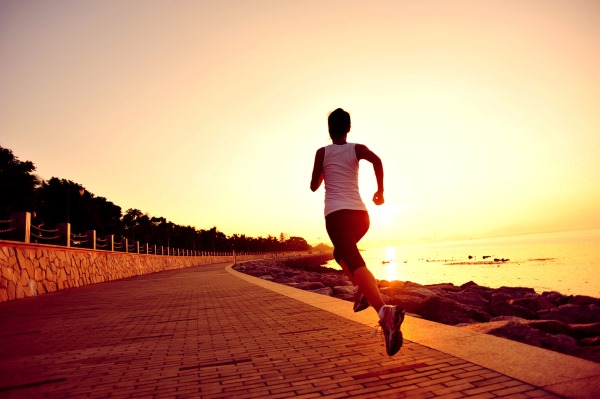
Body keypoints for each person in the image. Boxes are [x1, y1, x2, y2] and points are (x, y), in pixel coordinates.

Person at [310, 108, 404, 356]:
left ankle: (385, 312)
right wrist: (380, 191)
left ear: (329, 129)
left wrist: (323, 171)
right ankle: (361, 291)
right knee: (340, 254)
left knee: (352, 259)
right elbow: (377, 161)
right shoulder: (356, 148)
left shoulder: (322, 152)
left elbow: (313, 186)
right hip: (361, 217)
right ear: (349, 127)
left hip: (336, 216)